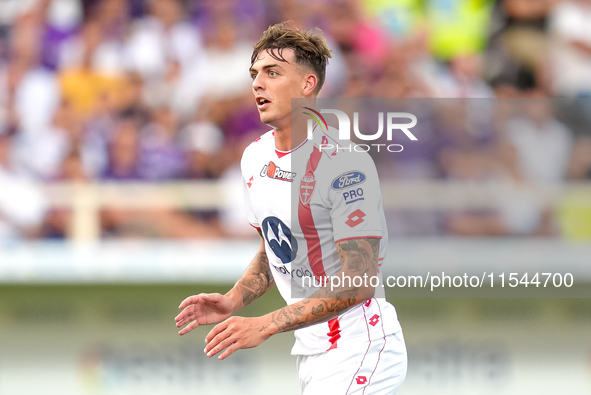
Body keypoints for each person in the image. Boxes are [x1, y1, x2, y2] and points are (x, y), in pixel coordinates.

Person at [175, 22, 407, 394]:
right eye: (254, 74)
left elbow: (359, 281)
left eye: (272, 72)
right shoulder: (254, 157)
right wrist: (234, 299)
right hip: (313, 353)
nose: (257, 83)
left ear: (307, 85)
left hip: (361, 344)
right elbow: (276, 246)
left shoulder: (346, 165)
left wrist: (264, 324)